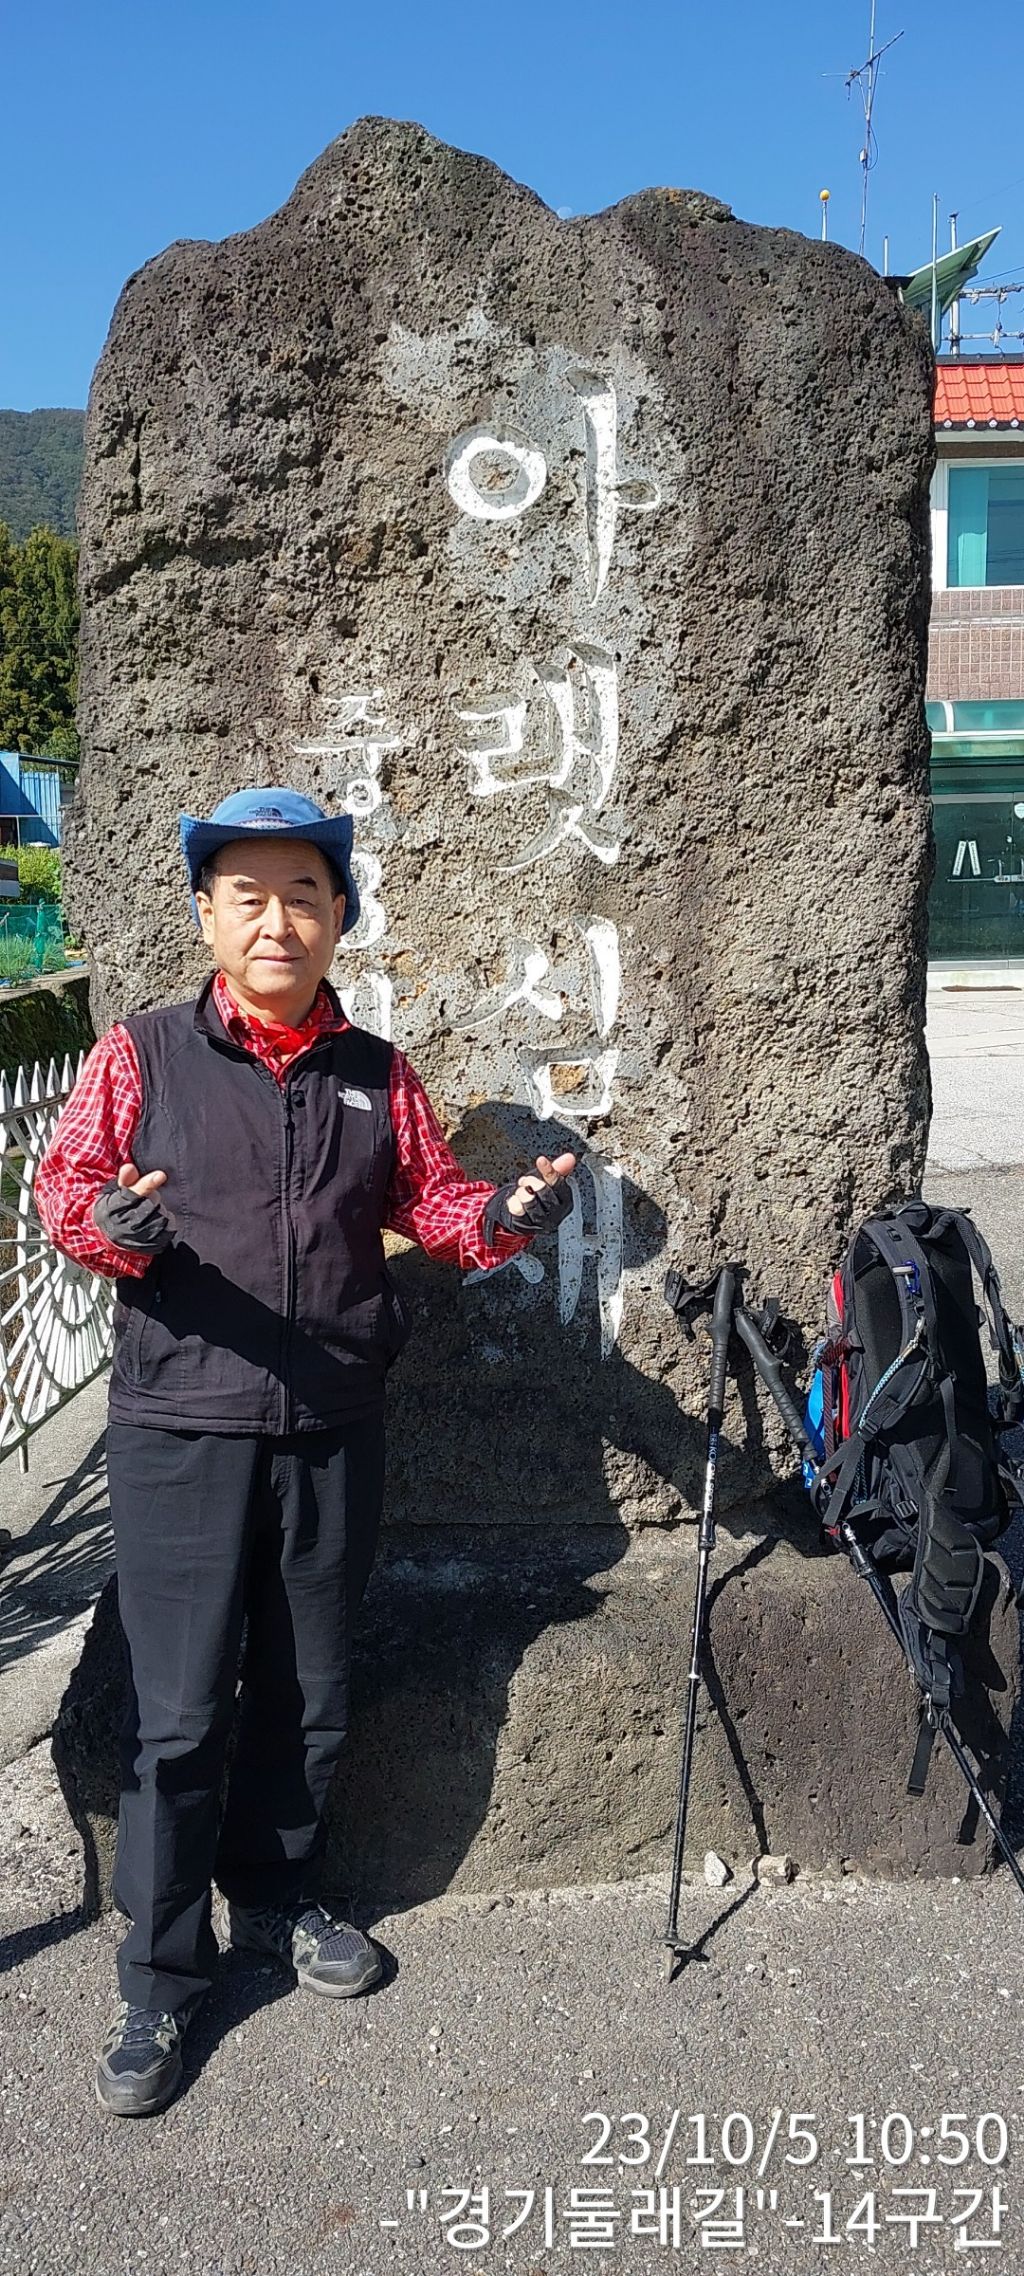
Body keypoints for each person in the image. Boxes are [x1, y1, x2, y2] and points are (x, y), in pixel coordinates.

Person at [35, 787, 576, 2119]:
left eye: (304, 896)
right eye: (249, 896)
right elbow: (63, 1194)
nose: (277, 921)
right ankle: (162, 1976)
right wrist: (115, 1228)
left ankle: (276, 1898)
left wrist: (505, 1213)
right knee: (178, 1713)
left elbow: (435, 1206)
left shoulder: (377, 1074)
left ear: (339, 917)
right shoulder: (141, 1053)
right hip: (180, 1429)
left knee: (310, 1689)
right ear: (207, 916)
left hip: (333, 1422)